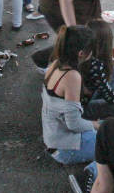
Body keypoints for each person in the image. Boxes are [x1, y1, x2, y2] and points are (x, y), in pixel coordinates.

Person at [42, 25, 99, 165]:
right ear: (81, 53)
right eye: (90, 51)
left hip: (53, 139)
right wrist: (95, 125)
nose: (92, 54)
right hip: (65, 149)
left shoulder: (55, 64)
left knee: (106, 126)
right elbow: (74, 124)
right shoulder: (72, 76)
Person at [80, 19, 114, 120]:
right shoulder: (96, 66)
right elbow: (111, 98)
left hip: (85, 96)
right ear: (105, 43)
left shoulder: (82, 52)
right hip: (85, 107)